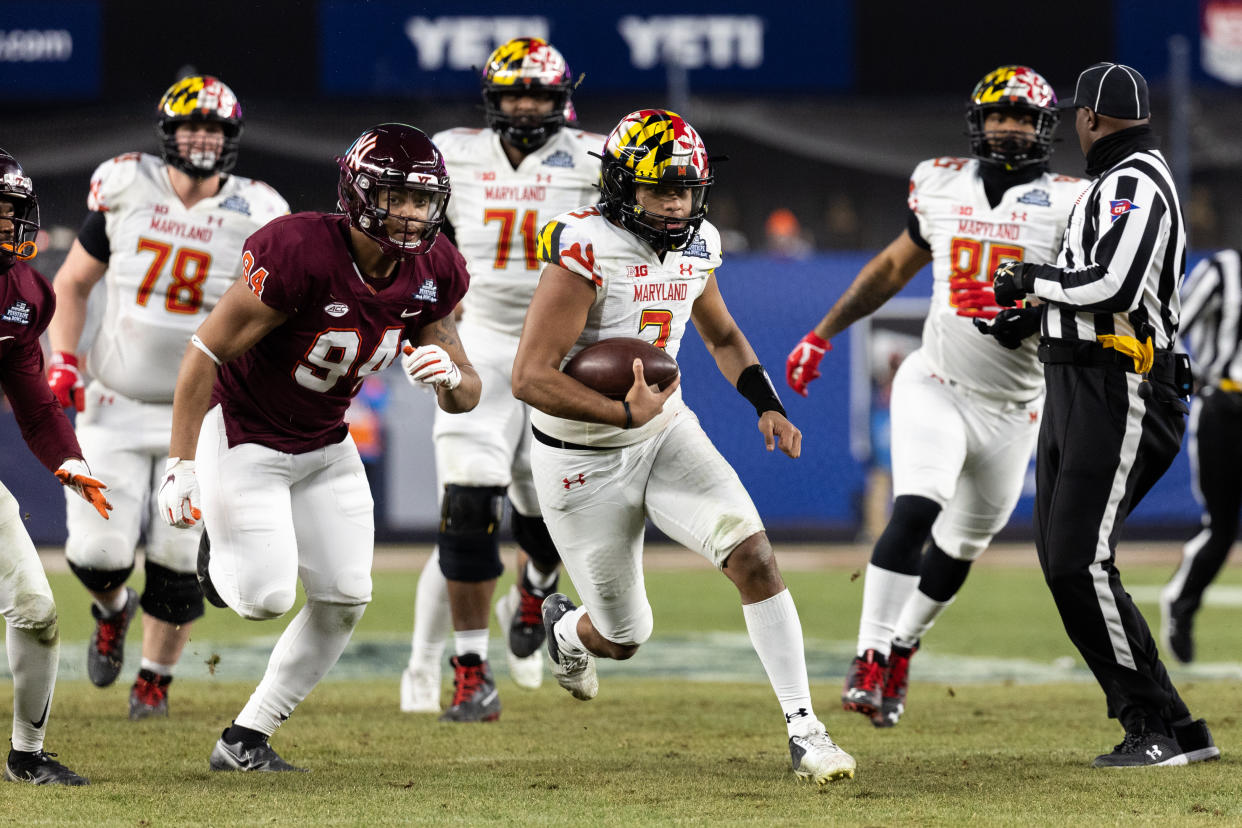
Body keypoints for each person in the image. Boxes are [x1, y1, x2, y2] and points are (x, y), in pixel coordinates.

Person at [512, 109, 856, 785]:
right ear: (620, 185)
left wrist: (766, 402)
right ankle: (564, 633)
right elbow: (529, 376)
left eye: (686, 189)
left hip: (664, 432)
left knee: (753, 556)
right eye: (660, 188)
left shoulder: (700, 244)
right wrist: (617, 409)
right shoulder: (585, 247)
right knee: (622, 637)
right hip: (580, 456)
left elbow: (723, 336)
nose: (676, 202)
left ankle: (805, 730)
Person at [157, 123, 480, 771]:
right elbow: (204, 352)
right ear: (359, 194)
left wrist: (449, 380)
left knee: (345, 596)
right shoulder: (300, 250)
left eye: (423, 200)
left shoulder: (434, 269)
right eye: (396, 196)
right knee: (263, 599)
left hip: (326, 444)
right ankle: (215, 553)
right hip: (246, 433)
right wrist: (181, 463)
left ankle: (245, 738)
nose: (412, 214)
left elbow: (468, 390)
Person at [786, 66, 1083, 727]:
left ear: (1045, 128)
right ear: (979, 122)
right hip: (937, 383)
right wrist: (822, 332)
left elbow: (1089, 293)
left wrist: (1038, 311)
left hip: (1016, 408)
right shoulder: (940, 182)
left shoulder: (1072, 201)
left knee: (962, 549)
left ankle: (900, 648)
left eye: (1023, 117)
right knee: (917, 505)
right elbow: (894, 266)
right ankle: (868, 656)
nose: (1009, 127)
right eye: (999, 115)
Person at [987, 62, 1218, 767]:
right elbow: (1095, 289)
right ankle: (1175, 728)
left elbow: (1114, 283)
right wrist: (1028, 317)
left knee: (1078, 561)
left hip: (1119, 387)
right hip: (1080, 383)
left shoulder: (1134, 181)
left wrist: (1030, 279)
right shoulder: (1116, 182)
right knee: (1066, 561)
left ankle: (1149, 727)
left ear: (1088, 118)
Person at [45, 75, 289, 720]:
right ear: (169, 134)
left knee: (178, 560)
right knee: (97, 555)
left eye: (213, 128)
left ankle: (154, 678)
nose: (202, 138)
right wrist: (63, 361)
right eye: (191, 127)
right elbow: (72, 284)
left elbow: (278, 311)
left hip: (204, 411)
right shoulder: (126, 185)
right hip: (116, 402)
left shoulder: (260, 209)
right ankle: (111, 609)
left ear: (231, 137)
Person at [400, 36, 602, 720]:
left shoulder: (597, 158)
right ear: (492, 98)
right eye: (513, 93)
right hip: (477, 334)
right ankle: (468, 668)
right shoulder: (451, 152)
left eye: (537, 93)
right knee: (467, 505)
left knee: (544, 513)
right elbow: (415, 232)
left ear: (560, 99)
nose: (524, 105)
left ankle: (536, 587)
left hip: (563, 346)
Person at [1, 149, 111, 785]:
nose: (3, 223)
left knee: (37, 611)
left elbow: (36, 408)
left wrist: (70, 461)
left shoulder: (24, 294)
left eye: (9, 211)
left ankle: (27, 755)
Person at [1162, 249, 1242, 663]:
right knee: (1222, 526)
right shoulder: (1223, 270)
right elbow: (1171, 328)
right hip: (1227, 407)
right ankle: (1182, 603)